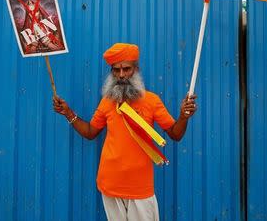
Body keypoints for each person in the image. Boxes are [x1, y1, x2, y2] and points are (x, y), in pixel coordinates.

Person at [53, 43, 197, 220]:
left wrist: (183, 117)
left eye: (126, 69)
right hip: (110, 183)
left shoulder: (151, 101)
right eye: (116, 70)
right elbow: (91, 132)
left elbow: (175, 134)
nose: (121, 75)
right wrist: (68, 113)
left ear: (136, 69)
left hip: (140, 186)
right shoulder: (107, 101)